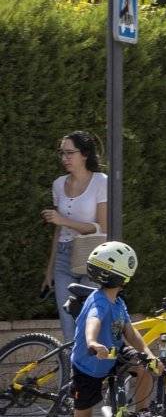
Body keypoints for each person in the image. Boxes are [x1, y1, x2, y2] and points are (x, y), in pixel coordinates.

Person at [56, 239, 155, 417]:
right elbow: (92, 322)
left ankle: (141, 416)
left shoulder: (118, 302)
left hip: (111, 354)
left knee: (145, 369)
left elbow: (130, 333)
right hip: (88, 365)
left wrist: (150, 354)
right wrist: (92, 342)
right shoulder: (98, 301)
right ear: (125, 276)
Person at [41, 129, 107, 345]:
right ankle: (72, 378)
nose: (65, 158)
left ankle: (91, 376)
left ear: (85, 154)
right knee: (68, 329)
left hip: (91, 258)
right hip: (62, 258)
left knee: (88, 324)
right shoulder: (59, 184)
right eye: (62, 153)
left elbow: (103, 228)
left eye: (70, 153)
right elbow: (57, 231)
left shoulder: (100, 181)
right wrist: (49, 271)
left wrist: (64, 221)